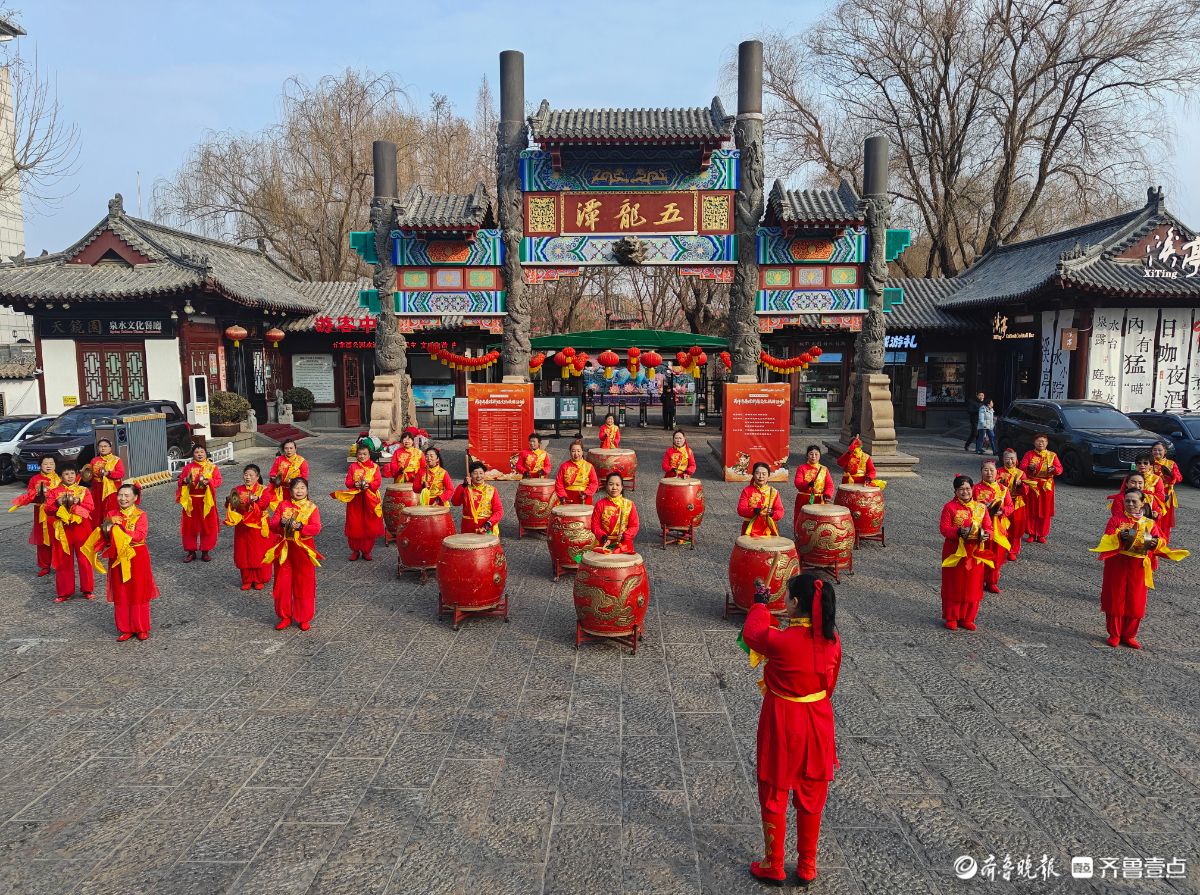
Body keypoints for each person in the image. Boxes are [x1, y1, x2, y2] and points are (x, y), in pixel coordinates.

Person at [742, 572, 841, 886]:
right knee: (812, 793)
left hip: (783, 718)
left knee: (774, 789)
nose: (783, 601)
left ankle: (774, 863)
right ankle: (808, 865)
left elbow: (752, 633)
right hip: (818, 719)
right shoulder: (832, 640)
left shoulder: (781, 641)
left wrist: (760, 604)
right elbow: (830, 685)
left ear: (796, 603)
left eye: (786, 597)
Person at [1090, 487, 1188, 649]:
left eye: (1134, 501)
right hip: (1118, 564)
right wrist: (1120, 536)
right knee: (1116, 597)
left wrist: (1156, 543)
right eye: (1127, 501)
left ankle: (1129, 635)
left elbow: (1161, 540)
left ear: (1142, 503)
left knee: (1136, 600)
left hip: (1139, 566)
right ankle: (1114, 634)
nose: (1130, 504)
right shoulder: (1116, 520)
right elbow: (1107, 537)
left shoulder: (1149, 523)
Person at [81, 483, 158, 641]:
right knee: (121, 590)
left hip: (137, 555)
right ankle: (125, 628)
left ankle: (141, 627)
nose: (122, 498)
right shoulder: (111, 513)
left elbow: (139, 535)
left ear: (135, 498)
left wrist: (121, 526)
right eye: (120, 495)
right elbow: (105, 534)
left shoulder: (140, 514)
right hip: (117, 556)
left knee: (138, 590)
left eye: (127, 495)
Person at [265, 477, 323, 631]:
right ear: (290, 490)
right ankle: (285, 616)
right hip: (284, 547)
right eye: (296, 488)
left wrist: (302, 527)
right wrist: (281, 524)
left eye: (302, 488)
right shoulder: (283, 505)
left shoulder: (312, 507)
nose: (299, 491)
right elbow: (273, 524)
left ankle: (303, 617)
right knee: (282, 582)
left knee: (304, 582)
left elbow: (316, 528)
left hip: (303, 548)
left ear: (307, 490)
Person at [939, 474, 994, 631]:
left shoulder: (981, 508)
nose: (965, 492)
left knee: (973, 585)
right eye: (961, 489)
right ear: (955, 491)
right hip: (954, 552)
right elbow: (944, 529)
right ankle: (951, 617)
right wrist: (958, 532)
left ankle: (967, 617)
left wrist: (985, 535)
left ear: (972, 489)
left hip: (975, 553)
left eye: (968, 489)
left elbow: (990, 528)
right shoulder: (949, 507)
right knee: (953, 584)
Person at [47, 464, 96, 602]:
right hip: (63, 530)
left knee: (84, 559)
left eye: (72, 473)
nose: (70, 476)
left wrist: (78, 501)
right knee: (63, 561)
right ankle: (64, 592)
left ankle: (87, 589)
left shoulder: (83, 490)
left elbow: (91, 507)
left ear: (76, 475)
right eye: (66, 474)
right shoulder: (54, 492)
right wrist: (57, 503)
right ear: (61, 476)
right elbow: (48, 510)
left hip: (81, 528)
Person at [224, 463, 274, 591]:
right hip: (243, 525)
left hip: (258, 525)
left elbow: (264, 504)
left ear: (257, 477)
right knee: (243, 551)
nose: (248, 477)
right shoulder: (238, 489)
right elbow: (232, 505)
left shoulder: (263, 489)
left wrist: (256, 499)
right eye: (246, 474)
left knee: (258, 552)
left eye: (251, 475)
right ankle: (246, 579)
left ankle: (259, 579)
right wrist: (228, 501)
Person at [8, 455, 60, 576]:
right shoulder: (35, 479)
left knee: (57, 537)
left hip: (55, 512)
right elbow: (29, 496)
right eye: (45, 463)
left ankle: (59, 564)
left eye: (51, 463)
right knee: (42, 539)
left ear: (55, 465)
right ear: (40, 465)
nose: (49, 466)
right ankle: (44, 565)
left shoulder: (59, 479)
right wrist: (36, 493)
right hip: (40, 512)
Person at [332, 442, 384, 561]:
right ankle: (355, 550)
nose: (362, 456)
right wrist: (354, 484)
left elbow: (377, 482)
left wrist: (369, 485)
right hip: (355, 499)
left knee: (369, 524)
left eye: (364, 454)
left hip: (370, 499)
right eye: (359, 454)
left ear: (369, 455)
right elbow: (348, 481)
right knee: (354, 523)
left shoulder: (375, 467)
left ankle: (366, 550)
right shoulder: (353, 467)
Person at [973, 460, 1014, 594]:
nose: (989, 472)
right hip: (980, 527)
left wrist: (1002, 511)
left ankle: (991, 582)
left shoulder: (1003, 489)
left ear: (997, 472)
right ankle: (978, 581)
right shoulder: (975, 489)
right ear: (981, 472)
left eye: (991, 470)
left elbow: (1010, 507)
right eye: (985, 469)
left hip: (998, 529)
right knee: (980, 555)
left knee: (996, 557)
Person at [176, 444, 222, 562]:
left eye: (202, 452)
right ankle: (191, 551)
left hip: (207, 500)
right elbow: (181, 480)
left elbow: (218, 480)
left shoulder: (212, 467)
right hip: (191, 501)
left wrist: (209, 481)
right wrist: (185, 480)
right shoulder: (188, 467)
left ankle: (205, 551)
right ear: (193, 454)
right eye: (197, 452)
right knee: (189, 527)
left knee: (207, 526)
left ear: (206, 453)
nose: (200, 454)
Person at [1019, 434, 1061, 543]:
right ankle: (1031, 533)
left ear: (1047, 443)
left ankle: (1042, 534)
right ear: (1034, 443)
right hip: (1033, 485)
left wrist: (1053, 469)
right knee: (1031, 509)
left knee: (1045, 510)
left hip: (1046, 486)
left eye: (1043, 441)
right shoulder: (1029, 454)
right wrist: (1029, 467)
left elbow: (1060, 469)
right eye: (1038, 441)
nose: (1040, 443)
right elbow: (1022, 468)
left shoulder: (1052, 455)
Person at [590, 471, 640, 554]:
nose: (614, 488)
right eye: (611, 484)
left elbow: (635, 526)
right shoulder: (600, 504)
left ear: (621, 487)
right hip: (604, 543)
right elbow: (595, 525)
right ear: (606, 486)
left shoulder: (629, 504)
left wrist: (625, 536)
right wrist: (602, 536)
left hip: (623, 544)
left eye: (617, 485)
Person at [452, 461, 504, 535]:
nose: (478, 476)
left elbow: (499, 510)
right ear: (470, 475)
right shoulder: (464, 488)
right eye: (475, 473)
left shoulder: (491, 490)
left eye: (481, 473)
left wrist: (489, 524)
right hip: (468, 526)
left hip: (485, 527)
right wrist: (463, 486)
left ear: (484, 474)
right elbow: (455, 502)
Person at [995, 449, 1028, 559]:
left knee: (1016, 527)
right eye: (1007, 458)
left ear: (1016, 459)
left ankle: (1013, 550)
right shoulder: (998, 471)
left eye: (1012, 458)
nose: (1010, 461)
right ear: (1003, 459)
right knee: (1002, 526)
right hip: (1003, 503)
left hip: (1016, 503)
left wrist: (1020, 485)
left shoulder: (1021, 473)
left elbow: (1026, 490)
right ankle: (1001, 547)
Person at [738, 462, 786, 537]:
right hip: (749, 528)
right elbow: (741, 510)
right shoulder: (747, 491)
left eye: (764, 474)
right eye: (757, 473)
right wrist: (754, 511)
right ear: (753, 475)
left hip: (767, 528)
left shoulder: (773, 492)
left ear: (768, 476)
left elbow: (780, 511)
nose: (761, 477)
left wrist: (772, 513)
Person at [84, 438, 124, 517]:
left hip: (111, 489)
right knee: (97, 508)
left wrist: (108, 473)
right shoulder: (94, 460)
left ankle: (110, 525)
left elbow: (121, 473)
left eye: (105, 446)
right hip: (97, 488)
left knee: (110, 507)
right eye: (100, 446)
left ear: (110, 448)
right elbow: (89, 473)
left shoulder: (116, 460)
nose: (103, 448)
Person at [1151, 441, 1183, 540]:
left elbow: (1179, 478)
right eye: (1154, 450)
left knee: (1165, 518)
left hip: (1166, 494)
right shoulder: (1148, 463)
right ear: (1151, 451)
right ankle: (1151, 539)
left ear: (1165, 451)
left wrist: (1171, 476)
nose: (1157, 452)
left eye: (1160, 450)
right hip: (1152, 493)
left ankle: (1163, 541)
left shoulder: (1171, 463)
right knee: (1152, 515)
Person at [555, 439, 599, 505]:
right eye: (573, 451)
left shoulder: (589, 466)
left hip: (583, 497)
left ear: (582, 452)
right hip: (567, 496)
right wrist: (562, 496)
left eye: (578, 451)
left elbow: (594, 482)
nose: (576, 454)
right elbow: (559, 482)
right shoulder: (564, 466)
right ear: (570, 452)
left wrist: (586, 493)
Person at [268, 439, 308, 510]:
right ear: (283, 450)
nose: (289, 450)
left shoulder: (301, 461)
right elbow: (273, 472)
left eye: (291, 448)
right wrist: (274, 478)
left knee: (296, 510)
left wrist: (292, 481)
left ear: (295, 449)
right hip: (281, 490)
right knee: (282, 510)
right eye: (286, 448)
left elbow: (304, 477)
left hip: (295, 490)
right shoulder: (279, 459)